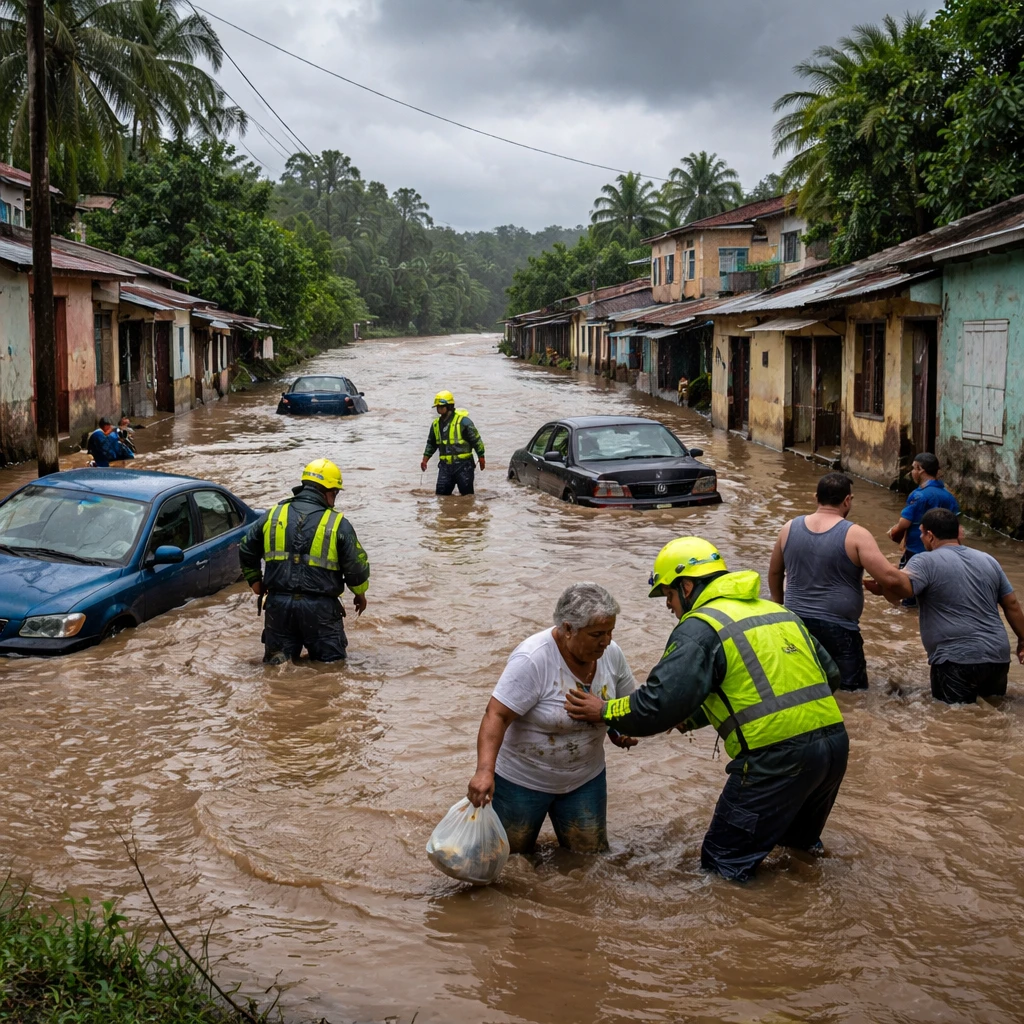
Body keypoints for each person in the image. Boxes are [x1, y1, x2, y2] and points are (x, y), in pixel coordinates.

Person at [565, 537, 848, 882]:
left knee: (723, 865)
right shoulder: (778, 612)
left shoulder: (700, 627)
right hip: (834, 748)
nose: (669, 606)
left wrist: (604, 710)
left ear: (686, 586)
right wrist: (697, 716)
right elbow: (829, 676)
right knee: (799, 850)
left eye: (668, 596)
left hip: (775, 759)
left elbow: (657, 704)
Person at [466, 582, 639, 855]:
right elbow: (496, 715)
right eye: (597, 634)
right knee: (508, 860)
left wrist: (615, 728)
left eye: (610, 632)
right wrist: (484, 771)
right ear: (568, 629)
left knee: (589, 859)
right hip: (522, 782)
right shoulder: (533, 659)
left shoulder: (611, 654)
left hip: (585, 779)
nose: (606, 641)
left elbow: (627, 702)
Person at [866, 508, 1024, 704]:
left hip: (955, 659)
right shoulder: (988, 560)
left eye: (922, 533)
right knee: (993, 709)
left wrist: (881, 587)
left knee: (954, 717)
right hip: (997, 657)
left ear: (930, 536)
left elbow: (901, 590)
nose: (921, 538)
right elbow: (1012, 605)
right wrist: (1022, 640)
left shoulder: (924, 561)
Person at [768, 471, 906, 691]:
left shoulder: (788, 528)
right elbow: (889, 578)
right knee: (852, 694)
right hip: (839, 630)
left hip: (795, 623)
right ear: (847, 500)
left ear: (816, 497)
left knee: (803, 686)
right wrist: (915, 586)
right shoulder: (856, 534)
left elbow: (775, 573)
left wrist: (778, 603)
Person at [239, 459, 370, 665]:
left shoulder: (272, 515)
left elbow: (246, 547)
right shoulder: (338, 524)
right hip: (321, 611)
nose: (335, 499)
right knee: (331, 669)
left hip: (278, 607)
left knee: (277, 668)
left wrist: (255, 582)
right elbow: (357, 567)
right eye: (335, 493)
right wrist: (360, 594)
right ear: (328, 492)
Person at [888, 452, 961, 568]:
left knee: (908, 576)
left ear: (920, 469)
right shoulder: (949, 496)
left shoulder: (918, 495)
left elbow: (904, 523)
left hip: (916, 550)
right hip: (942, 552)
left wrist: (893, 532)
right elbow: (957, 526)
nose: (912, 472)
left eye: (913, 468)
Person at [420, 390, 485, 495]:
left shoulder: (464, 422)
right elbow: (431, 444)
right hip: (445, 467)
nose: (439, 409)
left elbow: (476, 441)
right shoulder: (436, 424)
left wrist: (481, 457)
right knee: (441, 496)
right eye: (437, 407)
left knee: (467, 497)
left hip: (464, 466)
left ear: (449, 406)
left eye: (441, 406)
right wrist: (424, 460)